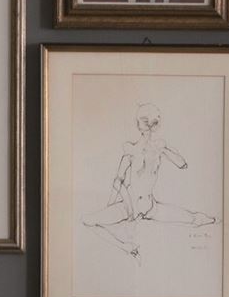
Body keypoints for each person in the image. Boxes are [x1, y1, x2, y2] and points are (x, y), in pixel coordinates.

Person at [81, 104, 217, 256]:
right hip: (130, 206)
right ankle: (126, 247)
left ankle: (206, 219)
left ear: (139, 124)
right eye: (150, 122)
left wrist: (164, 150)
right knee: (88, 220)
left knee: (193, 219)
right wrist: (127, 209)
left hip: (151, 206)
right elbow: (117, 182)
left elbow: (182, 164)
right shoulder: (131, 150)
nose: (150, 126)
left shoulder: (158, 148)